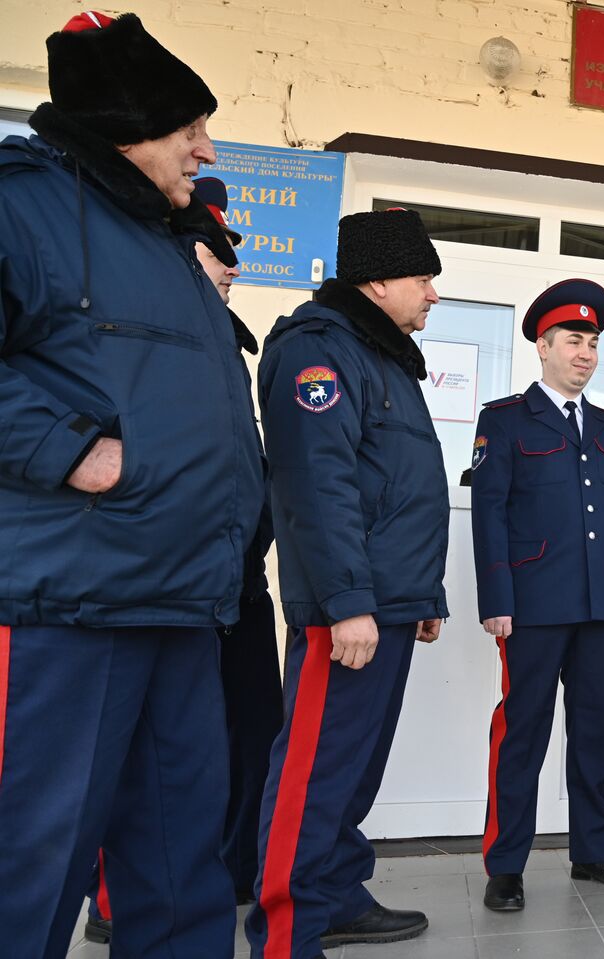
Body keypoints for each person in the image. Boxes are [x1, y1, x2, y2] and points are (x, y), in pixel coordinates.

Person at [0, 13, 265, 958]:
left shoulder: (163, 240)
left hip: (185, 602)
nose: (206, 146)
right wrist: (72, 447)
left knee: (182, 867)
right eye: (188, 126)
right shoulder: (22, 204)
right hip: (72, 605)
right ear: (126, 126)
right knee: (32, 864)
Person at [244, 208, 450, 958]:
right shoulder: (319, 355)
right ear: (379, 279)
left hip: (388, 601)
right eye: (424, 278)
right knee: (316, 769)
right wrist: (350, 603)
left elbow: (393, 487)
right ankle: (287, 925)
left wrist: (423, 597)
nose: (433, 294)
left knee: (353, 769)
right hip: (350, 608)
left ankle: (332, 894)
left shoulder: (382, 355)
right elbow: (316, 489)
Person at [83, 175, 284, 943]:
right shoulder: (132, 335)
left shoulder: (224, 347)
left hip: (229, 585)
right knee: (133, 766)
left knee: (234, 742)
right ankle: (111, 901)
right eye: (218, 251)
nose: (232, 268)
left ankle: (223, 870)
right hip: (159, 586)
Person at [470, 278, 604, 912]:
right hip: (531, 605)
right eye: (574, 340)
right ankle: (506, 865)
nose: (586, 352)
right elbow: (488, 515)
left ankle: (595, 852)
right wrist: (496, 598)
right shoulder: (505, 420)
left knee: (593, 730)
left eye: (594, 342)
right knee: (522, 732)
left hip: (600, 605)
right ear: (543, 347)